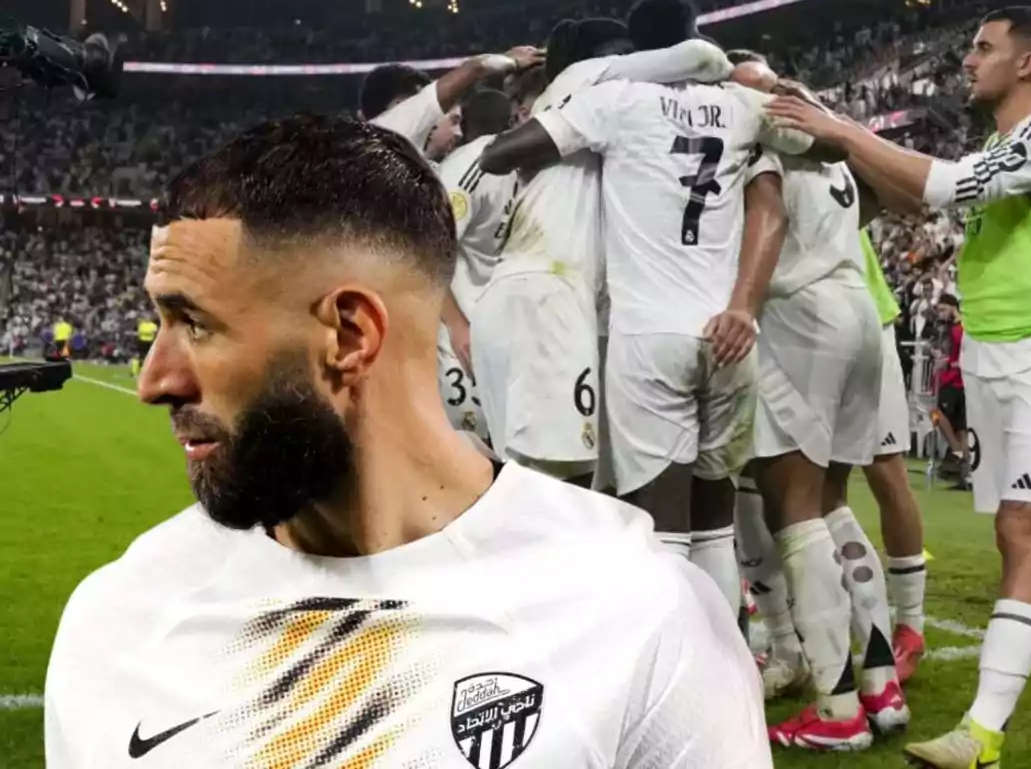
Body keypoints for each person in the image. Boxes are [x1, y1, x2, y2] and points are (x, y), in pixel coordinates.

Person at [44, 115, 772, 768]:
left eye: (195, 324)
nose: (154, 381)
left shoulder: (636, 616)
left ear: (350, 335)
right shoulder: (120, 621)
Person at [766, 6, 1031, 767]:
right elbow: (920, 191)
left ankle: (983, 733)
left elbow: (953, 187)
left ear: (1025, 63)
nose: (967, 59)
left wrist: (842, 132)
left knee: (1021, 531)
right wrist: (836, 129)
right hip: (994, 358)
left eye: (983, 47)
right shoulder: (1005, 141)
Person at [479, 0, 817, 618]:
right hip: (731, 331)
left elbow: (503, 153)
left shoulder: (615, 99)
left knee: (660, 534)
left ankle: (677, 682)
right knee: (716, 524)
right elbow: (829, 147)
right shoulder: (742, 107)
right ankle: (734, 675)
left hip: (648, 336)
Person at [720, 60, 908, 750]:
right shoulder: (824, 127)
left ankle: (836, 708)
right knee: (832, 502)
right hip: (858, 311)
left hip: (800, 314)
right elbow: (884, 196)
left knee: (790, 505)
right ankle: (880, 684)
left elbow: (765, 211)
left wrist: (743, 301)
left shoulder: (766, 130)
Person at [473, 17, 734, 486]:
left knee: (520, 488)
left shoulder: (566, 103)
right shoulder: (595, 78)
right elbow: (705, 58)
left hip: (516, 293)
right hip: (550, 299)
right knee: (564, 488)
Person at [858, 229, 929, 685]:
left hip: (863, 314)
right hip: (792, 321)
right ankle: (794, 633)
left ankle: (911, 625)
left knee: (885, 471)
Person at [435, 89, 521, 440]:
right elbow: (429, 248)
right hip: (471, 330)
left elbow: (427, 250)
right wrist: (457, 325)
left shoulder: (468, 165)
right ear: (515, 120)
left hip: (480, 331)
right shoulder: (477, 167)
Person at [360, 47, 542, 159]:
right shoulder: (387, 134)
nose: (458, 133)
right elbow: (476, 68)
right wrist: (510, 60)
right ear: (400, 105)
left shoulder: (368, 152)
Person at [933, 293, 969, 490]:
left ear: (953, 307)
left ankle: (956, 453)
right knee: (960, 428)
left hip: (955, 381)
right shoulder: (953, 329)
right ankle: (963, 475)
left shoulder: (958, 329)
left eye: (943, 309)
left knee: (936, 413)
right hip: (961, 382)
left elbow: (963, 356)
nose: (941, 313)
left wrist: (946, 362)